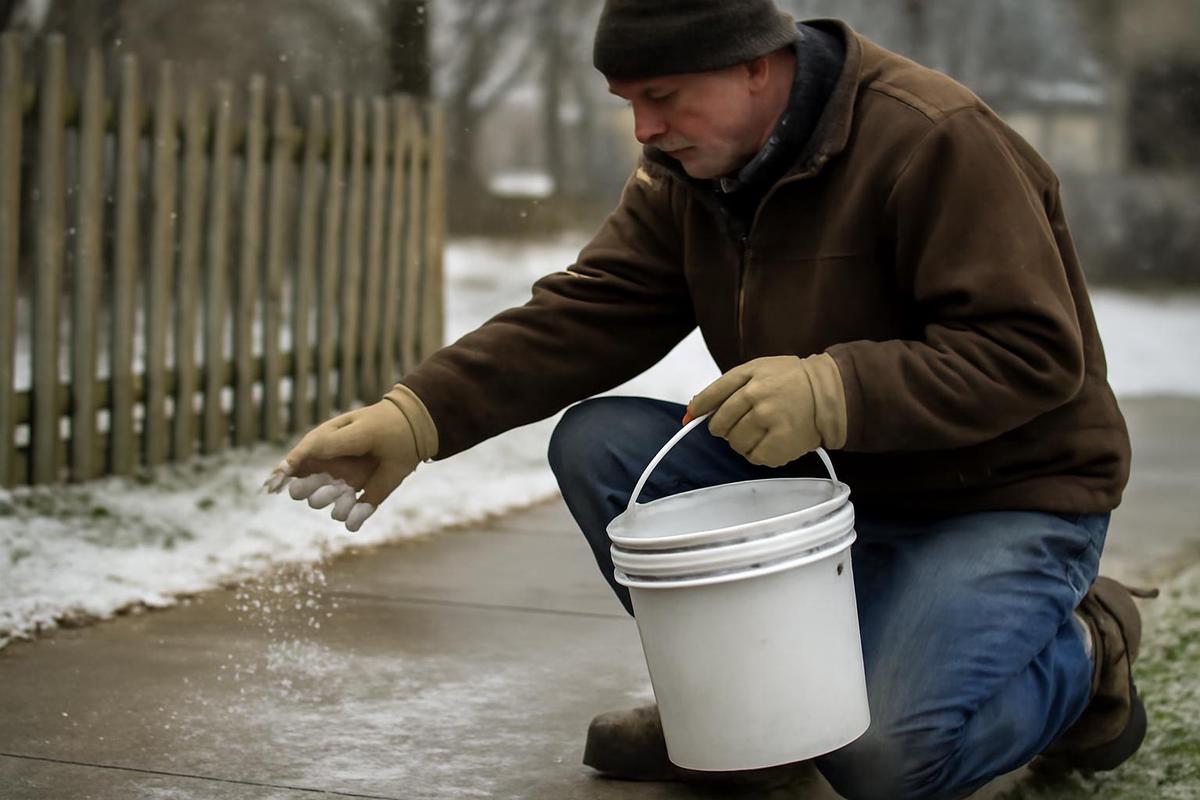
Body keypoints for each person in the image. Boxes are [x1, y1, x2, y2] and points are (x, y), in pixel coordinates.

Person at [263, 1, 1158, 797]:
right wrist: (418, 416)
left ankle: (1087, 646)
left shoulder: (932, 138)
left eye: (663, 96)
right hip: (826, 486)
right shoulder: (692, 173)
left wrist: (834, 387)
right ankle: (754, 718)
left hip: (1000, 497)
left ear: (754, 66)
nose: (645, 129)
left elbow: (1034, 353)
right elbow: (593, 308)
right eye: (629, 103)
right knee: (602, 442)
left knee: (883, 760)